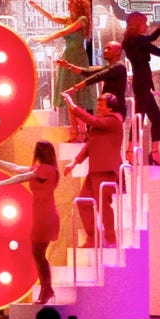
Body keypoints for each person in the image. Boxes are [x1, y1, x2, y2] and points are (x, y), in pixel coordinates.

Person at [0, 141, 60, 304]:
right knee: (37, 253)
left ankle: (47, 289)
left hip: (46, 215)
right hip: (41, 215)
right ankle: (46, 289)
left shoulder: (47, 170)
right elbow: (17, 168)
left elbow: (22, 177)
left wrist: (1, 183)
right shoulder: (41, 169)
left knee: (38, 253)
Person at [121, 9, 160, 166]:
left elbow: (151, 40)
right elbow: (155, 48)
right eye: (144, 23)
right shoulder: (139, 41)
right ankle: (130, 151)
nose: (147, 25)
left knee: (156, 118)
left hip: (140, 81)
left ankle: (154, 152)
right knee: (140, 116)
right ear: (137, 24)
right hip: (142, 82)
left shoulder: (129, 41)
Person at [63, 91, 124, 247]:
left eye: (101, 105)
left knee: (103, 206)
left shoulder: (113, 121)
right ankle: (93, 237)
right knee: (83, 202)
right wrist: (75, 162)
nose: (98, 107)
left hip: (106, 170)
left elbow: (92, 121)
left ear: (110, 108)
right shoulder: (100, 124)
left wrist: (73, 106)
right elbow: (90, 145)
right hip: (95, 171)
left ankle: (111, 238)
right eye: (98, 104)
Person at [32, 0, 93, 140]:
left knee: (77, 95)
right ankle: (74, 131)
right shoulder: (69, 19)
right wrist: (38, 7)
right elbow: (52, 17)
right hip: (68, 56)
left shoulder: (82, 20)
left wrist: (46, 39)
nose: (68, 4)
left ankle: (82, 131)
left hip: (77, 58)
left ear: (78, 5)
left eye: (71, 2)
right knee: (68, 96)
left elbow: (64, 32)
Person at [60, 40, 128, 120]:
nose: (105, 51)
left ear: (118, 51)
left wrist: (74, 88)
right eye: (105, 48)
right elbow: (88, 72)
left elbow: (97, 77)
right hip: (107, 108)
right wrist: (69, 66)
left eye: (109, 48)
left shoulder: (119, 66)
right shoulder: (110, 66)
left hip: (116, 109)